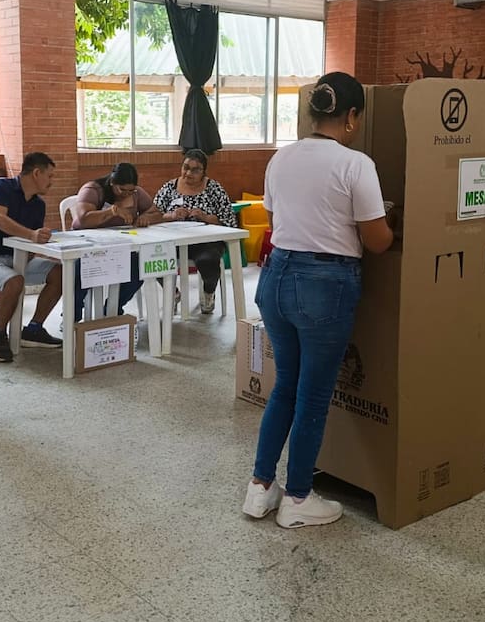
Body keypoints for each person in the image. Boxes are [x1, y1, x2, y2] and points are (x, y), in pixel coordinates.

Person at [242, 72, 394, 528]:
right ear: (350, 117)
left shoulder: (280, 159)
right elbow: (377, 240)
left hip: (276, 277)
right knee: (312, 395)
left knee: (285, 386)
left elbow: (273, 215)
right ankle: (300, 498)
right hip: (324, 284)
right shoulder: (356, 164)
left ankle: (260, 488)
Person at [0, 152, 64, 362]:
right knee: (14, 281)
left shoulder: (38, 205)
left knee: (60, 272)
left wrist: (40, 242)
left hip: (14, 258)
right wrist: (32, 235)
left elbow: (31, 243)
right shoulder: (1, 187)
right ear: (36, 173)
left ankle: (34, 328)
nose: (52, 182)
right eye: (50, 176)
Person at [152, 148, 240, 313]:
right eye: (185, 167)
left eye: (195, 170)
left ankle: (208, 293)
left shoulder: (213, 188)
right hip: (174, 240)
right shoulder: (170, 187)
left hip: (205, 242)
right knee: (153, 256)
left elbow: (228, 220)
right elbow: (153, 214)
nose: (188, 173)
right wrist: (171, 215)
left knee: (208, 260)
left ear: (203, 172)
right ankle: (173, 293)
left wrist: (205, 217)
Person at [70, 162, 162, 317]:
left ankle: (113, 308)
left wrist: (146, 217)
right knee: (80, 270)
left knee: (140, 268)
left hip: (120, 247)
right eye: (122, 189)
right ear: (112, 182)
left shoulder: (136, 193)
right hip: (89, 247)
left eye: (130, 190)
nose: (126, 193)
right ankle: (73, 314)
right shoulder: (92, 190)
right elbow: (84, 219)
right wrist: (111, 212)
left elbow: (157, 213)